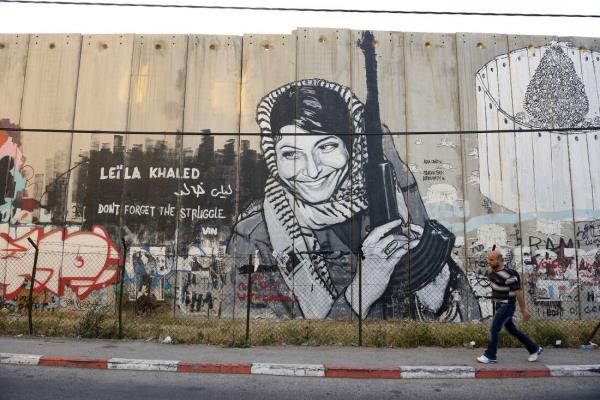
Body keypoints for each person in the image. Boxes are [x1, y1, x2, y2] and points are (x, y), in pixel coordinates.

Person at [227, 78, 480, 320]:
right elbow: (267, 333)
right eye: (291, 154)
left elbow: (469, 318)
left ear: (352, 147)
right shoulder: (255, 237)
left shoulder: (394, 209)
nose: (312, 171)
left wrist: (438, 301)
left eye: (326, 147)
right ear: (274, 157)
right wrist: (363, 290)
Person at [477, 250, 543, 363]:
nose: (489, 262)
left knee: (494, 329)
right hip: (500, 305)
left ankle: (490, 355)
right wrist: (489, 271)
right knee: (512, 330)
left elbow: (518, 292)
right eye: (488, 259)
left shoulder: (509, 275)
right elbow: (488, 275)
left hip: (507, 306)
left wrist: (523, 309)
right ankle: (534, 349)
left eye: (491, 260)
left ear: (499, 260)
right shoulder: (492, 271)